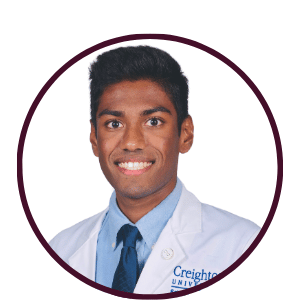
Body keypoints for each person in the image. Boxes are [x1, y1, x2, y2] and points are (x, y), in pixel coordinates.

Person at [49, 46, 260, 294]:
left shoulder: (244, 247)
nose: (132, 142)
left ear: (185, 133)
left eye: (153, 121)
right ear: (95, 138)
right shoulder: (60, 250)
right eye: (114, 123)